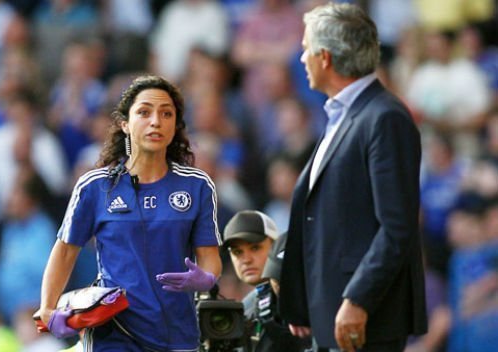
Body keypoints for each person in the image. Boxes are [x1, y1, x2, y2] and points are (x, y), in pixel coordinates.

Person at [279, 3, 427, 352]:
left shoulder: (385, 118)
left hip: (365, 318)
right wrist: (303, 300)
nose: (302, 60)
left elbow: (397, 227)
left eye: (305, 50)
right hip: (331, 312)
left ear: (325, 57)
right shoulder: (341, 116)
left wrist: (358, 299)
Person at [38, 75, 222, 351]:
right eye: (144, 112)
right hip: (112, 333)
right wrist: (48, 309)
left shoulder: (197, 186)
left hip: (177, 334)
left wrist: (206, 278)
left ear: (175, 126)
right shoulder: (95, 186)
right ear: (125, 123)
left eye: (166, 114)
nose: (156, 122)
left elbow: (210, 259)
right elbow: (65, 251)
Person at [223, 210, 306, 351]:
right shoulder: (246, 306)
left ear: (276, 245)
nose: (246, 260)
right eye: (237, 252)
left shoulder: (303, 292)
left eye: (255, 248)